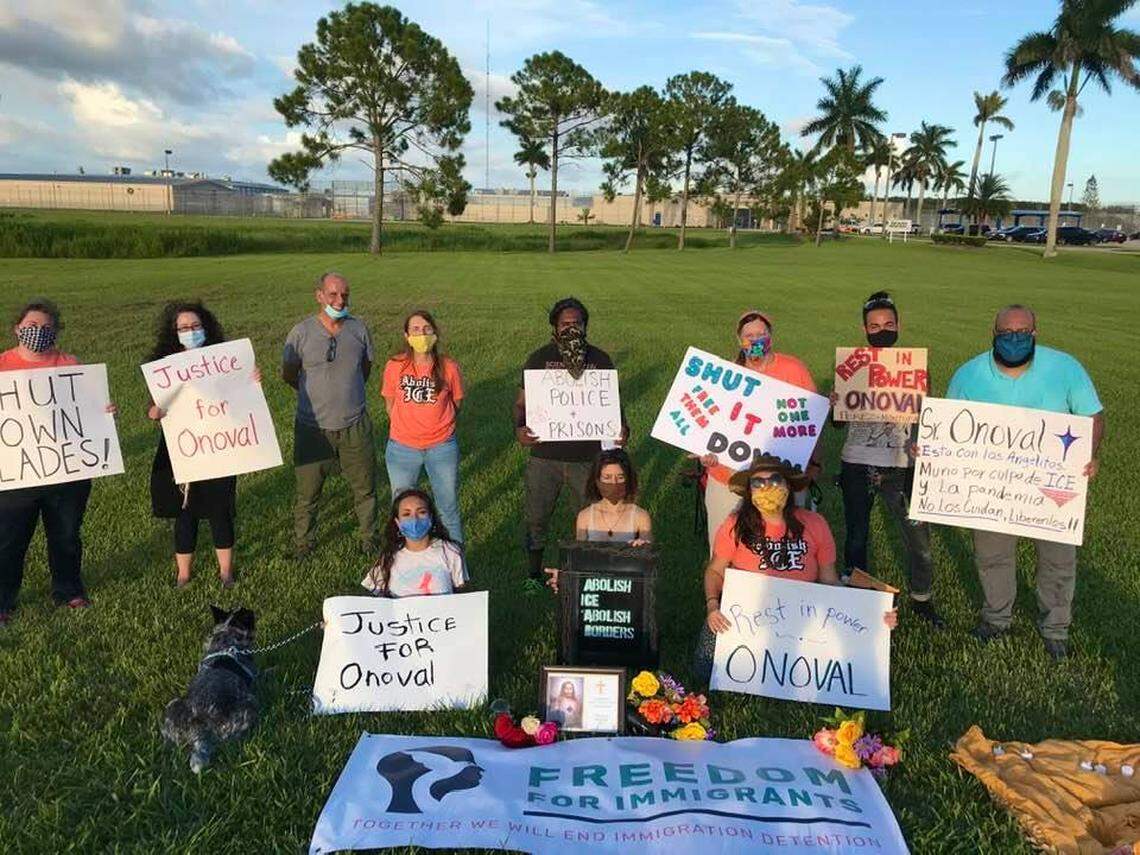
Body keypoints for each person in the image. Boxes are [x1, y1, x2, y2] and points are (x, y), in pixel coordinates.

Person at [943, 304, 1104, 660]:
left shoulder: (1065, 368)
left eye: (1022, 333)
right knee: (992, 556)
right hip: (990, 488)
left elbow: (1093, 416)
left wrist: (1088, 455)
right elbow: (946, 428)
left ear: (1035, 333)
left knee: (1058, 560)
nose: (1014, 339)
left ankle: (1056, 628)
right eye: (1006, 333)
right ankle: (996, 618)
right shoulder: (968, 375)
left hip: (1053, 486)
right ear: (993, 333)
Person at [694, 455, 897, 682]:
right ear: (750, 492)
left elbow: (829, 581)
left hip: (800, 616)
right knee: (706, 669)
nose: (767, 487)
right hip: (750, 614)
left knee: (852, 664)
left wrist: (870, 612)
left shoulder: (815, 524)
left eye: (775, 480)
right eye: (758, 483)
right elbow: (714, 571)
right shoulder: (735, 524)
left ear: (788, 487)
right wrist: (713, 606)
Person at [0, 299, 116, 625]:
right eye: (31, 326)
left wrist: (104, 414)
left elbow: (88, 409)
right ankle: (3, 600)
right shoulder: (2, 366)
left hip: (67, 470)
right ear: (17, 329)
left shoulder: (69, 364)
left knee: (65, 536)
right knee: (9, 540)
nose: (38, 332)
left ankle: (68, 590)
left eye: (46, 328)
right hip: (16, 473)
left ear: (56, 332)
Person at [830, 292, 941, 627]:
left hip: (901, 464)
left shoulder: (916, 368)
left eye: (888, 324)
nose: (882, 330)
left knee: (918, 537)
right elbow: (838, 422)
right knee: (857, 535)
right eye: (874, 326)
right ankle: (857, 598)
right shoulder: (852, 365)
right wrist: (833, 402)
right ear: (864, 329)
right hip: (857, 461)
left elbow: (930, 418)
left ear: (899, 325)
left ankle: (922, 600)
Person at [514, 297, 628, 591]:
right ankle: (533, 574)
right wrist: (519, 429)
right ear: (554, 327)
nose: (571, 328)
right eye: (565, 323)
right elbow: (521, 403)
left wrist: (622, 430)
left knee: (592, 519)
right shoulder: (538, 359)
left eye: (576, 323)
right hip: (545, 455)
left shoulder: (601, 360)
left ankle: (587, 574)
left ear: (585, 326)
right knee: (536, 517)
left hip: (588, 458)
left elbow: (612, 405)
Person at [146, 301, 261, 588]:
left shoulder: (223, 363)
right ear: (174, 333)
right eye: (183, 328)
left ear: (206, 328)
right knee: (184, 513)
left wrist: (251, 381)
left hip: (219, 447)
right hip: (181, 449)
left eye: (195, 326)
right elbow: (154, 408)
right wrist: (154, 412)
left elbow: (239, 398)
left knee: (220, 510)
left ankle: (226, 572)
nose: (190, 331)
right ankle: (183, 574)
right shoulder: (165, 368)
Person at [695, 310, 823, 554]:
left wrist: (815, 463)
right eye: (748, 335)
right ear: (739, 340)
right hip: (728, 477)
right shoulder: (724, 374)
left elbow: (811, 422)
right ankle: (720, 592)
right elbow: (706, 423)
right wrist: (705, 453)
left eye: (760, 334)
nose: (755, 340)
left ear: (771, 337)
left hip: (781, 476)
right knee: (725, 544)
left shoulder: (794, 369)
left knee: (783, 542)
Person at [283, 272, 379, 558]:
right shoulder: (300, 332)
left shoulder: (359, 329)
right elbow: (289, 374)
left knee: (365, 488)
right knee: (308, 493)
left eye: (345, 295)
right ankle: (304, 542)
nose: (340, 300)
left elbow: (364, 370)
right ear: (319, 295)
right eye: (333, 294)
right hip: (312, 428)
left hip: (354, 425)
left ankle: (369, 538)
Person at [381, 310, 465, 543]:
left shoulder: (449, 367)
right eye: (416, 329)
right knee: (402, 509)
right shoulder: (395, 366)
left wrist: (438, 425)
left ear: (435, 333)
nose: (422, 334)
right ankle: (399, 558)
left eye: (427, 328)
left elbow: (456, 403)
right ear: (406, 335)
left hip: (441, 447)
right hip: (402, 448)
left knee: (447, 508)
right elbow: (390, 403)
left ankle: (455, 561)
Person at [545, 449, 652, 592]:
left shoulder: (640, 516)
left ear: (629, 480)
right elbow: (580, 558)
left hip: (627, 587)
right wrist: (565, 576)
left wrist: (644, 547)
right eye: (607, 477)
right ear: (597, 480)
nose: (614, 483)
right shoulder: (585, 517)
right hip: (594, 586)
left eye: (620, 477)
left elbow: (650, 560)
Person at [362, 488, 467, 597]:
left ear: (430, 517)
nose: (414, 519)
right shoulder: (389, 557)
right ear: (398, 522)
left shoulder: (450, 551)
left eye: (421, 512)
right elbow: (372, 598)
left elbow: (461, 595)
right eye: (406, 514)